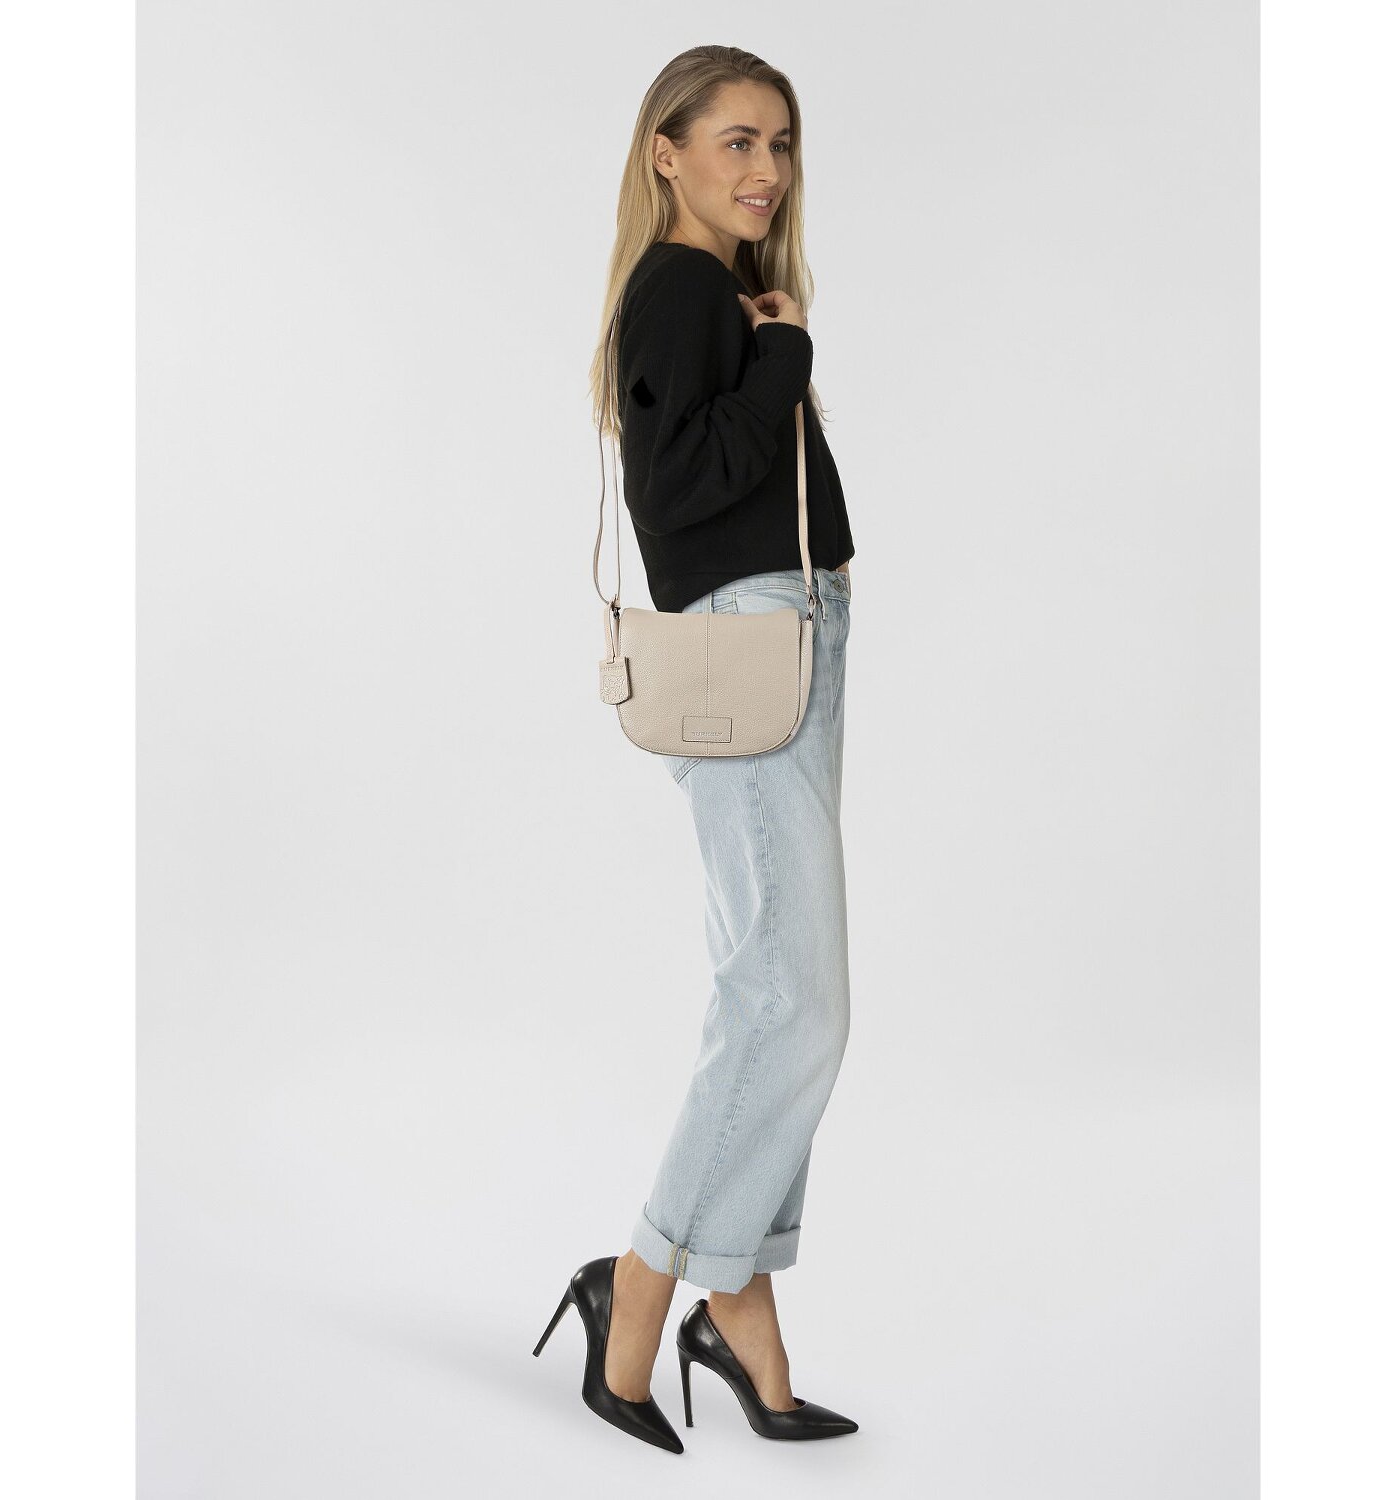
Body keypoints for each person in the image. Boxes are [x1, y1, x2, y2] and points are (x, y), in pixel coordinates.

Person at [533, 45, 858, 1453]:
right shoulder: (677, 290)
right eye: (737, 141)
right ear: (665, 151)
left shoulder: (717, 293)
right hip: (745, 645)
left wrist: (770, 341)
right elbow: (672, 495)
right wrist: (785, 355)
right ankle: (649, 1284)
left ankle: (740, 1306)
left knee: (780, 992)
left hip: (782, 638)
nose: (765, 170)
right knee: (788, 1001)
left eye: (779, 144)